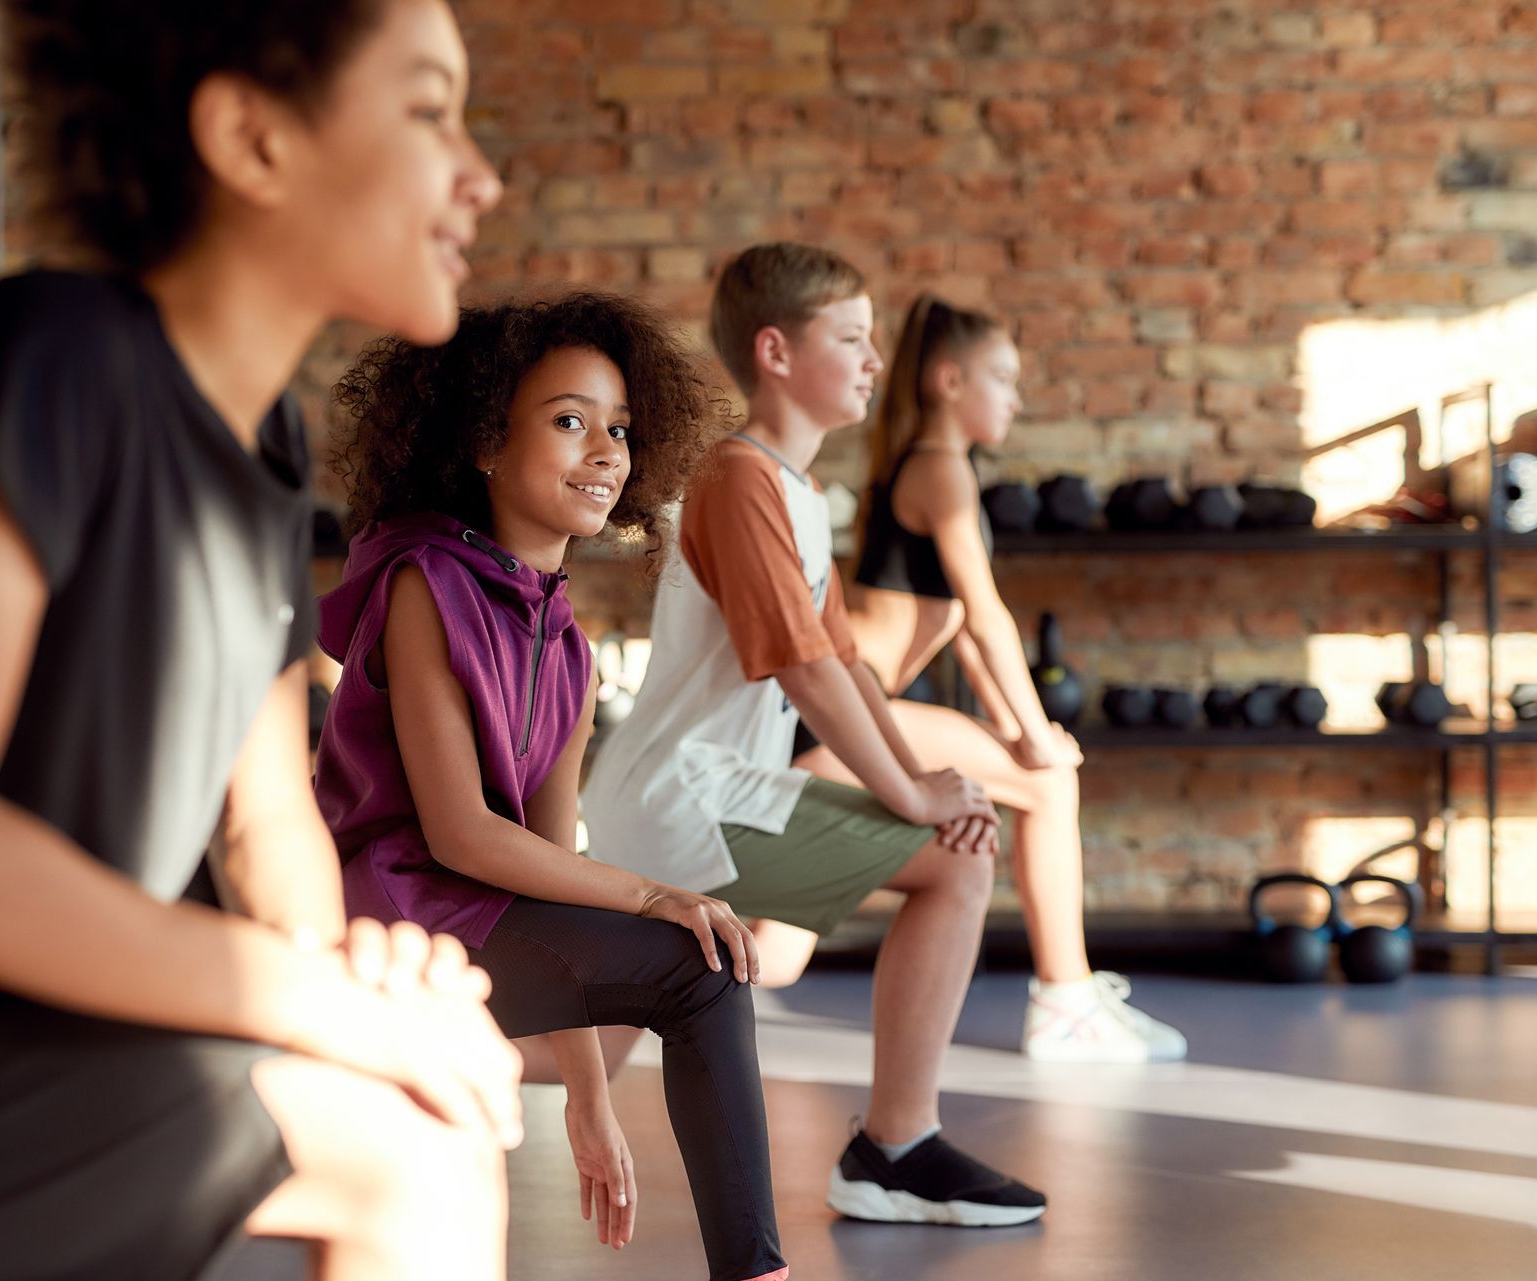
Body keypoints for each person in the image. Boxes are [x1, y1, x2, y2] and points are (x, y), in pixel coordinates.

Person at [0, 3, 520, 1278]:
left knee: (421, 1120)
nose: (479, 174)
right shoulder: (56, 351)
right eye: (426, 109)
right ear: (252, 138)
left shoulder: (268, 452)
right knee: (411, 1158)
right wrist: (319, 1005)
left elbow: (264, 823)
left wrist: (361, 985)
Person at [317, 293, 789, 1281]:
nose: (607, 451)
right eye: (570, 420)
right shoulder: (424, 584)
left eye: (619, 428)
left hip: (477, 920)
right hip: (389, 917)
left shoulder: (566, 643)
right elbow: (461, 838)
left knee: (707, 969)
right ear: (487, 441)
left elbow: (547, 860)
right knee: (695, 957)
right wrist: (657, 895)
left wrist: (587, 1092)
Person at [583, 243, 1048, 1228]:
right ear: (776, 352)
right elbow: (802, 667)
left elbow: (849, 669)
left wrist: (927, 776)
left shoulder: (792, 490)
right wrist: (917, 798)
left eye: (875, 340)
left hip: (709, 792)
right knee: (955, 862)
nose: (876, 360)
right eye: (851, 338)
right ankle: (894, 1148)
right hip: (687, 795)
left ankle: (895, 1147)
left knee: (566, 1055)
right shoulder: (740, 477)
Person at [831, 293, 1188, 1064]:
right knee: (1052, 786)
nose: (1016, 397)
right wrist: (1034, 740)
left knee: (777, 950)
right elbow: (989, 618)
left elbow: (960, 632)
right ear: (949, 380)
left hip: (868, 704)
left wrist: (1018, 733)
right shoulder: (939, 471)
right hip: (847, 708)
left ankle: (1074, 997)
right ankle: (1067, 1001)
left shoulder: (933, 466)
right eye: (1002, 377)